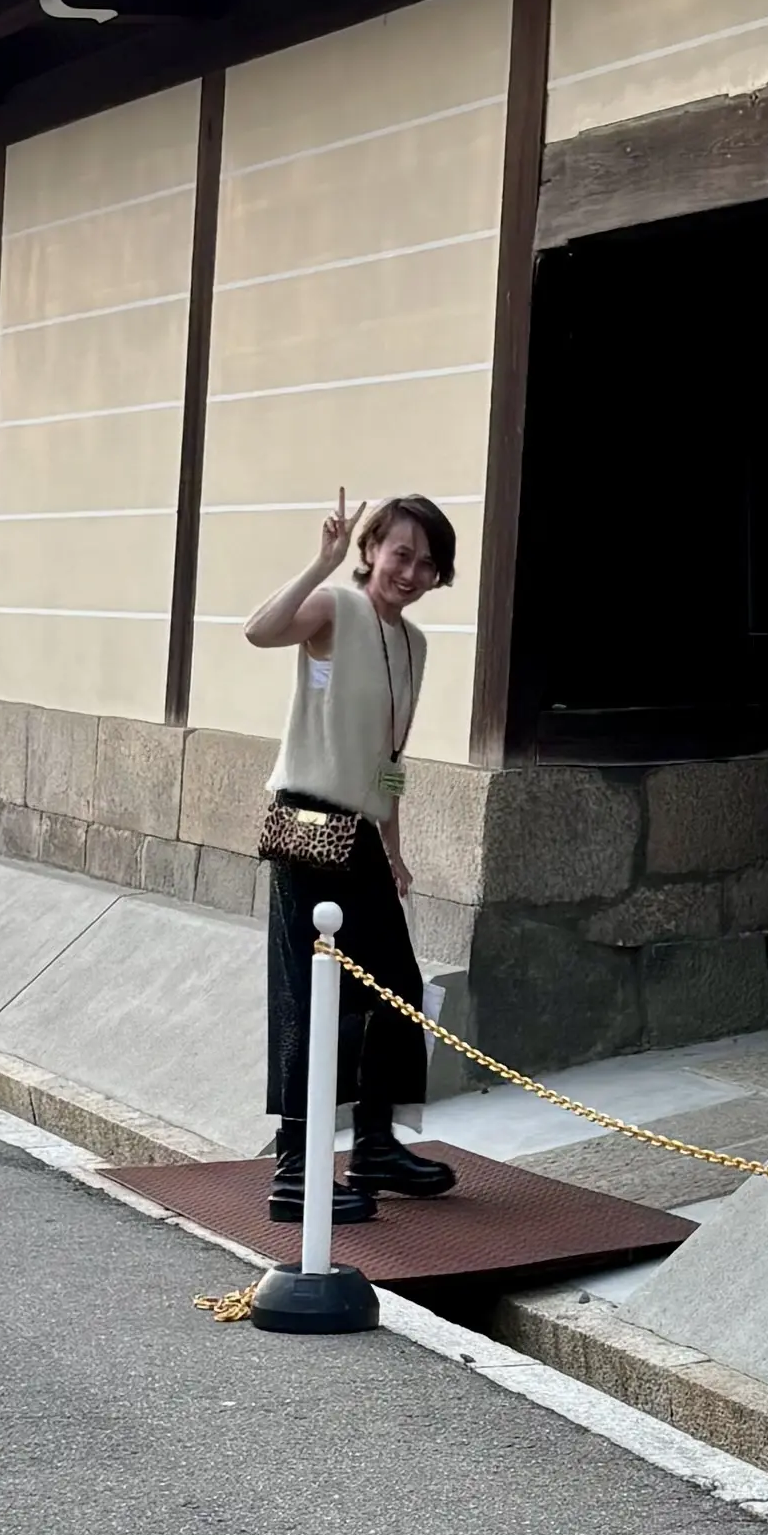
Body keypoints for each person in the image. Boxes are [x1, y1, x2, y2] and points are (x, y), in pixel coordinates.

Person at [245, 489, 461, 1223]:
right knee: (315, 999)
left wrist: (394, 850)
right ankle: (295, 1167)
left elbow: (388, 761)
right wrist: (321, 560)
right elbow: (258, 631)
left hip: (360, 835)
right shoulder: (335, 609)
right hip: (307, 827)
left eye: (427, 563)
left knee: (397, 986)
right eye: (401, 553)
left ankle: (374, 1144)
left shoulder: (415, 644)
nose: (411, 571)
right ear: (372, 548)